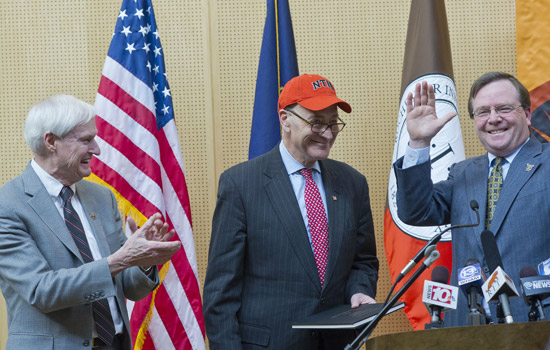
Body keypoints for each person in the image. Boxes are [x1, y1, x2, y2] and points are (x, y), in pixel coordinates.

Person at [203, 73, 379, 349]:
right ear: (285, 120)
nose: (328, 134)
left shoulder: (353, 183)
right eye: (317, 123)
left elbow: (363, 261)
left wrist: (359, 291)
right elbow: (220, 292)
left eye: (333, 123)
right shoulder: (241, 184)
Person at [0, 95, 181, 349]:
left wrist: (143, 262)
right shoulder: (8, 205)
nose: (96, 149)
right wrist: (122, 259)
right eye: (86, 140)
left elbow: (127, 287)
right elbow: (42, 290)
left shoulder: (101, 197)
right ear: (51, 141)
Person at [394, 72, 550, 327]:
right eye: (482, 112)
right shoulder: (463, 173)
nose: (494, 118)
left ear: (528, 114)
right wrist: (419, 143)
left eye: (504, 108)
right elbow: (415, 212)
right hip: (469, 325)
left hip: (537, 323)